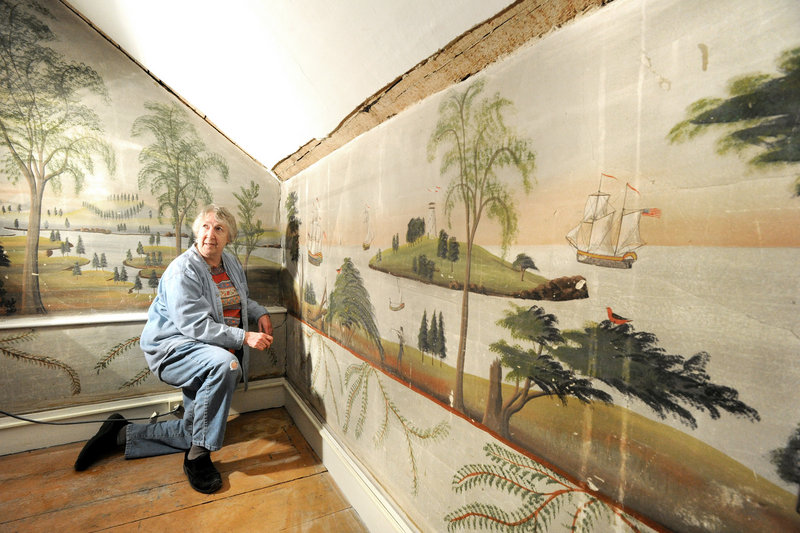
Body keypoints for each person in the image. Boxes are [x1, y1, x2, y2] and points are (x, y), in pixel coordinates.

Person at [74, 205, 273, 494]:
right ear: (196, 231)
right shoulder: (183, 269)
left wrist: (260, 312)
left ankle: (118, 435)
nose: (210, 234)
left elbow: (236, 300)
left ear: (229, 237)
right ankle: (198, 457)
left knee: (195, 428)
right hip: (173, 348)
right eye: (205, 226)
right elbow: (195, 325)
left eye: (219, 229)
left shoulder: (227, 263)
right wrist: (244, 337)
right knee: (225, 366)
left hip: (206, 349)